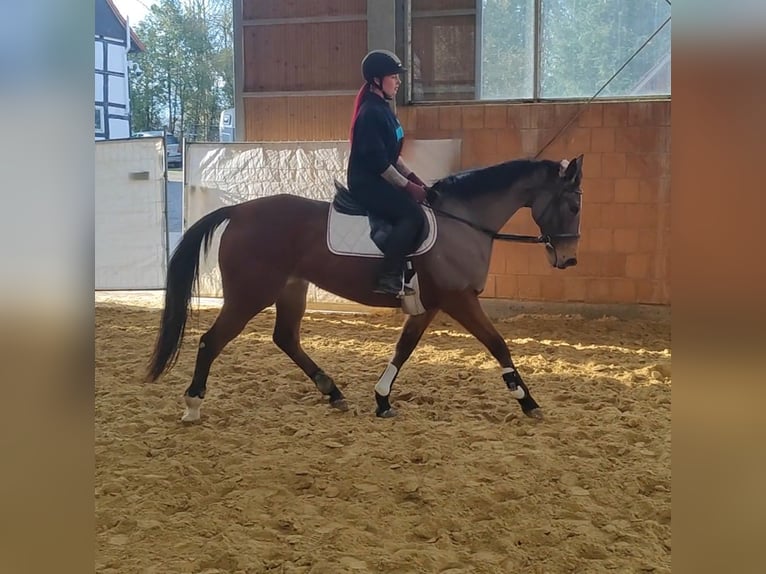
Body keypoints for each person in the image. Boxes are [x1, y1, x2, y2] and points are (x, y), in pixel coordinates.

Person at [347, 49, 428, 296]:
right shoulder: (370, 113)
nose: (399, 81)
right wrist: (408, 187)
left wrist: (414, 178)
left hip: (380, 177)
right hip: (367, 183)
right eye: (394, 76)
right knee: (412, 215)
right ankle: (389, 275)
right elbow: (380, 163)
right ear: (376, 81)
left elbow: (393, 156)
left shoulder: (384, 110)